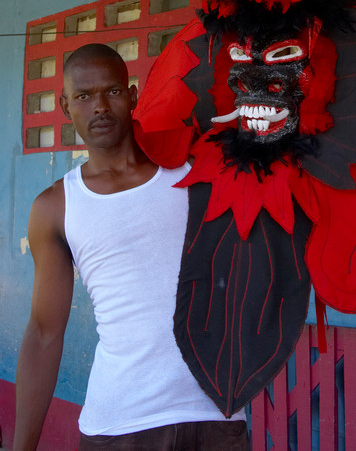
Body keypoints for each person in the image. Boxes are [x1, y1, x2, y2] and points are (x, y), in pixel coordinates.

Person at [13, 43, 249, 451]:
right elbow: (44, 333)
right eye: (84, 96)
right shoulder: (55, 207)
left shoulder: (195, 174)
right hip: (120, 423)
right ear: (65, 106)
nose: (100, 107)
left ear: (133, 95)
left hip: (215, 416)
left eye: (113, 91)